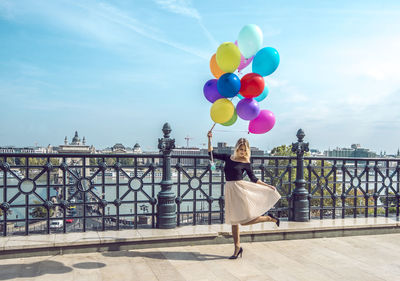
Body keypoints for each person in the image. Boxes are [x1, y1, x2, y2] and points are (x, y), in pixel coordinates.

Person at [207, 131, 281, 259]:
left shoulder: (246, 162)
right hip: (230, 189)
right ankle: (237, 248)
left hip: (240, 190)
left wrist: (268, 186)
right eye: (241, 149)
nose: (242, 152)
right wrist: (209, 139)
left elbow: (253, 178)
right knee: (234, 222)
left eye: (244, 150)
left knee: (244, 222)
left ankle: (269, 218)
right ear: (237, 148)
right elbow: (211, 154)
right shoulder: (227, 157)